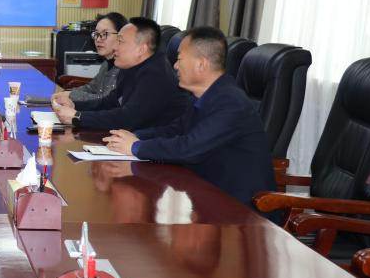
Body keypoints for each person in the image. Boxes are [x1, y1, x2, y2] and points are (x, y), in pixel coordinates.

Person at [103, 26, 275, 206]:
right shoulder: (205, 96)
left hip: (241, 208)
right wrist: (136, 136)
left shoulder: (231, 103)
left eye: (179, 59)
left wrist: (136, 147)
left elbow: (189, 148)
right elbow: (175, 130)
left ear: (201, 64)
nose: (175, 65)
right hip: (205, 195)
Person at [53, 17, 188, 130]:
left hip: (156, 147)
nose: (115, 47)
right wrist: (75, 105)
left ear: (141, 49)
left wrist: (78, 117)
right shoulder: (130, 66)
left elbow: (128, 118)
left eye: (120, 42)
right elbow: (109, 102)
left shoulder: (156, 75)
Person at [52, 11, 128, 106]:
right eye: (96, 34)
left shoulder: (125, 67)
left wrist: (71, 95)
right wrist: (66, 93)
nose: (98, 39)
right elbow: (91, 88)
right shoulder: (106, 63)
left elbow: (106, 100)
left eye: (105, 34)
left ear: (121, 36)